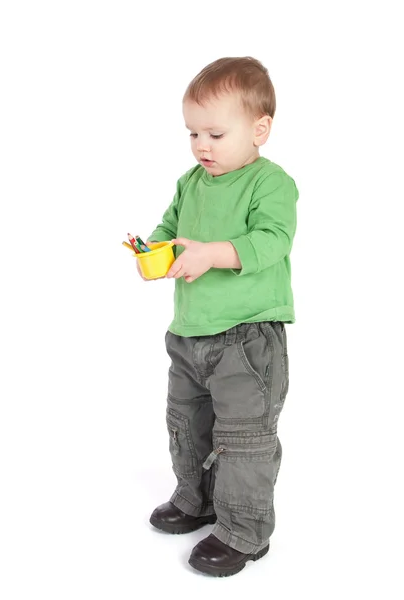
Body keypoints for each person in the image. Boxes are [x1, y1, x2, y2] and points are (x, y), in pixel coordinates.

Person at [143, 56, 298, 577]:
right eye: (192, 134)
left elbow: (273, 241)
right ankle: (196, 500)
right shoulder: (191, 182)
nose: (201, 146)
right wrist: (155, 252)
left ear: (260, 130)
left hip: (247, 341)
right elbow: (169, 226)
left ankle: (244, 533)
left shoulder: (269, 183)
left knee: (244, 439)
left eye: (214, 133)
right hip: (189, 335)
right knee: (188, 424)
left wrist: (213, 253)